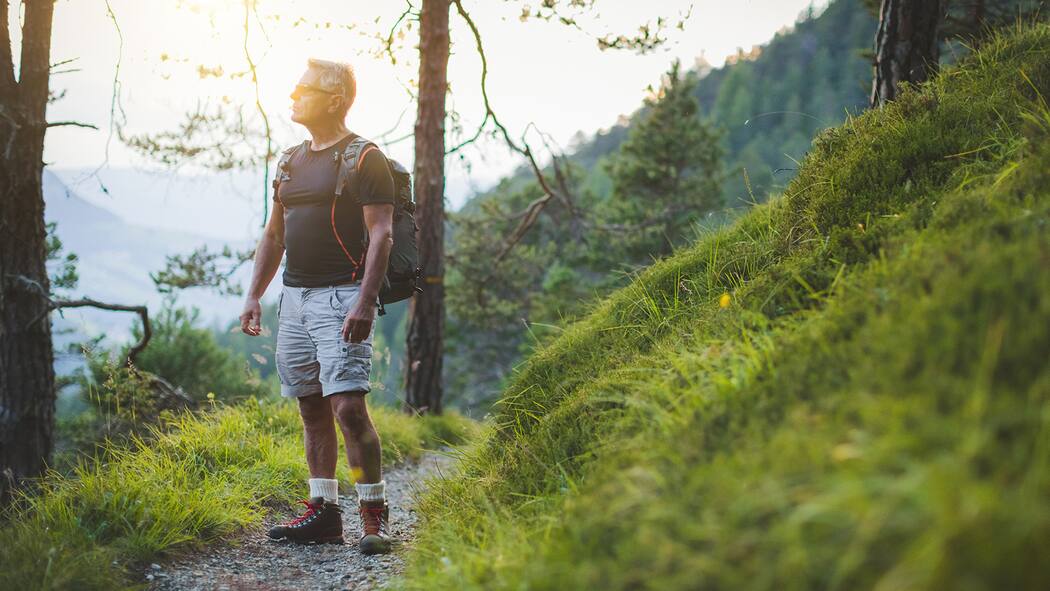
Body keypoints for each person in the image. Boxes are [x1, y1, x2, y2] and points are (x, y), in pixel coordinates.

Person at [239, 58, 395, 555]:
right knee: (311, 406)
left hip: (343, 296)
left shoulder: (364, 157)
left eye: (303, 89)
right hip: (295, 299)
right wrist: (254, 295)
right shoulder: (289, 160)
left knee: (347, 407)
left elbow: (382, 234)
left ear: (334, 99)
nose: (293, 96)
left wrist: (366, 302)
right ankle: (324, 513)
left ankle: (373, 516)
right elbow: (274, 234)